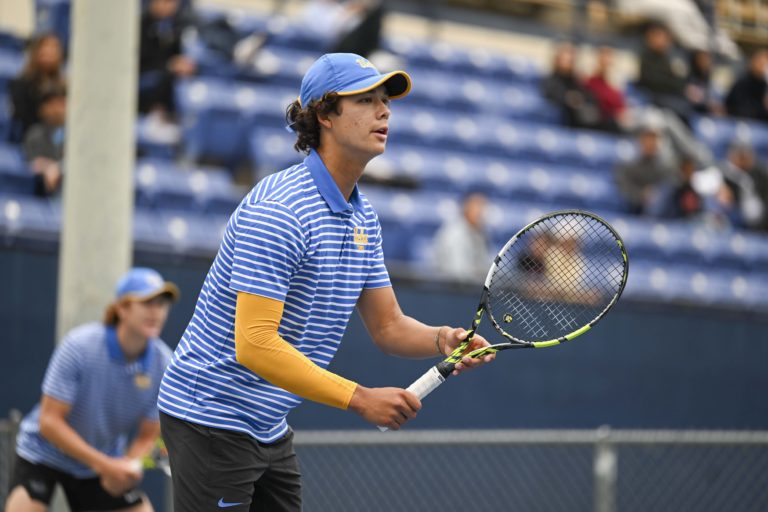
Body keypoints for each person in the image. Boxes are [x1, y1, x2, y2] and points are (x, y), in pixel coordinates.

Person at [157, 52, 494, 512]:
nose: (384, 110)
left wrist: (443, 339)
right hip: (211, 417)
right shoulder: (280, 210)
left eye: (385, 100)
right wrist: (359, 399)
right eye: (366, 100)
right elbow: (254, 343)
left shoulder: (363, 216)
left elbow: (389, 326)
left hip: (269, 422)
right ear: (324, 114)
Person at [5, 268, 179, 512]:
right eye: (147, 302)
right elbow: (49, 421)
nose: (156, 311)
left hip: (101, 463)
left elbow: (149, 434)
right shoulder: (79, 346)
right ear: (122, 309)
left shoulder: (163, 363)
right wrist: (106, 466)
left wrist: (129, 464)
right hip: (43, 455)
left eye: (162, 304)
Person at [138, 0, 196, 117]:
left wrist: (182, 62)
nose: (172, 6)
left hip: (165, 73)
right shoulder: (139, 25)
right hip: (145, 75)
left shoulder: (175, 22)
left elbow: (176, 52)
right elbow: (140, 62)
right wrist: (168, 65)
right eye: (167, 2)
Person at [8, 33, 66, 143]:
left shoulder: (63, 85)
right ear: (37, 52)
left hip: (59, 137)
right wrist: (44, 112)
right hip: (32, 137)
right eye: (46, 47)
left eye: (54, 48)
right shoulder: (22, 83)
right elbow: (19, 115)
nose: (49, 52)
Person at [615, 119, 680, 215]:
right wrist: (641, 194)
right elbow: (623, 188)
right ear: (640, 140)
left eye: (655, 138)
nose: (652, 143)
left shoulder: (668, 166)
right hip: (634, 209)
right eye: (648, 138)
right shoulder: (628, 165)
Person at [433, 191, 491, 283]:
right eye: (477, 207)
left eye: (483, 207)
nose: (481, 213)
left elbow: (485, 267)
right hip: (451, 291)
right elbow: (457, 275)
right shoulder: (454, 234)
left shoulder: (480, 234)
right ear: (466, 209)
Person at [23, 84, 66, 197]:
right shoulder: (35, 133)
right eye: (56, 104)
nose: (61, 109)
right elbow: (32, 162)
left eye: (63, 103)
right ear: (45, 107)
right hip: (41, 192)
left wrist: (59, 167)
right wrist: (49, 167)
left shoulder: (72, 136)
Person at [724, 49, 768, 123]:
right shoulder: (742, 82)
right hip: (740, 124)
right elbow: (737, 109)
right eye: (760, 62)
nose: (762, 66)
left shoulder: (764, 85)